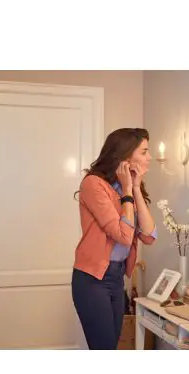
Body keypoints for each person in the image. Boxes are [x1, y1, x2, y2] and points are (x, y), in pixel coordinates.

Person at [72, 128, 157, 350]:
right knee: (104, 348)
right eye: (144, 152)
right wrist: (128, 190)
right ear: (126, 155)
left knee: (111, 347)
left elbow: (149, 235)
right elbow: (123, 236)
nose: (150, 157)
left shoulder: (129, 187)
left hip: (117, 277)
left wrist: (135, 188)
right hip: (93, 279)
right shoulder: (93, 184)